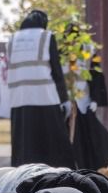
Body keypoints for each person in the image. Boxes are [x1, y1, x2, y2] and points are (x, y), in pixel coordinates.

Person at [6, 10, 74, 168]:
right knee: (53, 143)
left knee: (24, 145)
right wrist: (64, 99)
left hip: (19, 100)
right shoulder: (46, 36)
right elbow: (56, 71)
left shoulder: (12, 39)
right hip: (45, 98)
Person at [68, 41, 108, 170]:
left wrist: (95, 100)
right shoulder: (66, 50)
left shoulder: (91, 51)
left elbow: (97, 74)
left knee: (93, 134)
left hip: (85, 101)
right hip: (70, 101)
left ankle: (92, 164)